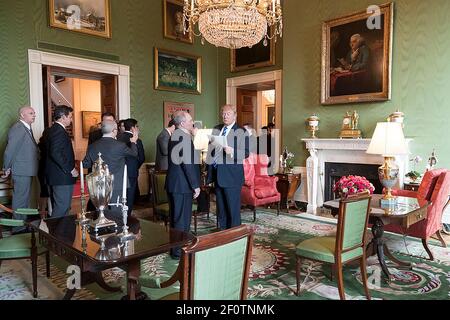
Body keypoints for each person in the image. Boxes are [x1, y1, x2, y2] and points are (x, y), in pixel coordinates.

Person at [83, 120, 139, 219]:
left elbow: (85, 164)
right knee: (116, 214)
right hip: (116, 184)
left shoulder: (92, 146)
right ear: (114, 131)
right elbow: (134, 154)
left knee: (101, 214)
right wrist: (133, 142)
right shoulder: (120, 145)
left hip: (99, 186)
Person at [206, 105, 249, 230]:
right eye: (223, 113)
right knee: (221, 209)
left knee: (233, 210)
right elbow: (211, 150)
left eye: (228, 114)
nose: (225, 116)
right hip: (218, 175)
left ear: (234, 115)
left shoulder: (242, 131)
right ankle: (223, 234)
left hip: (232, 177)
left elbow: (246, 153)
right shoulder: (217, 128)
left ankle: (234, 236)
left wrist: (233, 151)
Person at [165, 111, 200, 259]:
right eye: (191, 120)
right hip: (182, 185)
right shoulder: (183, 137)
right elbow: (188, 164)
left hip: (174, 184)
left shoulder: (175, 136)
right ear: (182, 123)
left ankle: (175, 249)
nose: (193, 122)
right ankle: (179, 252)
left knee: (175, 218)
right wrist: (195, 185)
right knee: (182, 220)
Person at [2, 106, 39, 232]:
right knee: (20, 200)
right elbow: (10, 151)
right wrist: (6, 168)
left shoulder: (25, 128)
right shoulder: (18, 128)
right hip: (21, 170)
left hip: (26, 170)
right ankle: (18, 228)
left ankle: (22, 225)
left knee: (24, 199)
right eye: (31, 113)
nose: (34, 115)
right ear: (22, 115)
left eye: (34, 113)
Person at [45, 105, 79, 218]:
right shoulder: (58, 131)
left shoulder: (53, 129)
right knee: (62, 207)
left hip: (56, 176)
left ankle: (60, 233)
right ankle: (54, 234)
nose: (71, 119)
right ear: (63, 117)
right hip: (61, 176)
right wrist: (70, 168)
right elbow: (55, 153)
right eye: (70, 116)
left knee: (61, 207)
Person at [117, 118, 145, 216]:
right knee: (129, 196)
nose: (138, 128)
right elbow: (141, 158)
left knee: (118, 195)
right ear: (133, 128)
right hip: (132, 172)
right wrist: (135, 167)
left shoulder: (117, 138)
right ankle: (127, 217)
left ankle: (117, 216)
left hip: (118, 172)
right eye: (137, 126)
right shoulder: (137, 140)